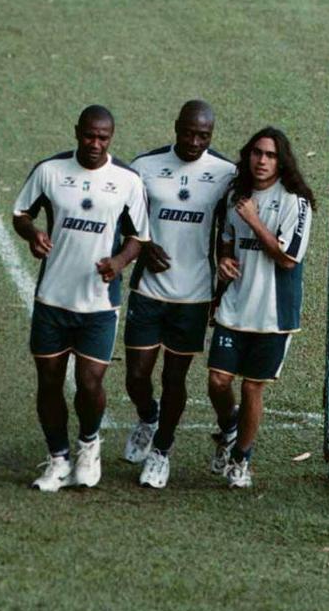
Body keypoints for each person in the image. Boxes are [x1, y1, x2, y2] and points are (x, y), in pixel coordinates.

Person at [12, 105, 149, 491]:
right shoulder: (50, 171)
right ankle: (57, 459)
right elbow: (20, 213)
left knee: (90, 383)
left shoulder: (127, 180)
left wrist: (120, 261)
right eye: (89, 135)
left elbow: (140, 236)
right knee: (50, 381)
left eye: (103, 137)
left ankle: (88, 444)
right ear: (77, 132)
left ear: (112, 137)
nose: (95, 143)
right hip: (53, 299)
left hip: (99, 305)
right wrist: (32, 234)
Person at [123, 100, 236, 488]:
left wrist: (225, 280)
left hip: (194, 295)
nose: (194, 141)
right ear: (176, 127)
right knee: (136, 374)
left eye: (203, 135)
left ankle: (162, 451)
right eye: (188, 132)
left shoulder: (225, 174)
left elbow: (232, 230)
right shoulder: (145, 167)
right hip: (148, 290)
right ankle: (147, 416)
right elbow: (125, 217)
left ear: (211, 135)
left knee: (175, 377)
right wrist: (142, 242)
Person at [207, 126, 314, 489]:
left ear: (281, 160)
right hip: (235, 306)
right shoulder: (236, 195)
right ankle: (230, 427)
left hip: (272, 316)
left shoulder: (294, 202)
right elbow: (227, 240)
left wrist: (253, 219)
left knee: (253, 388)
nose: (262, 160)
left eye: (269, 155)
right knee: (217, 381)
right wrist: (224, 260)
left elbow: (287, 258)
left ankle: (241, 460)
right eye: (256, 153)